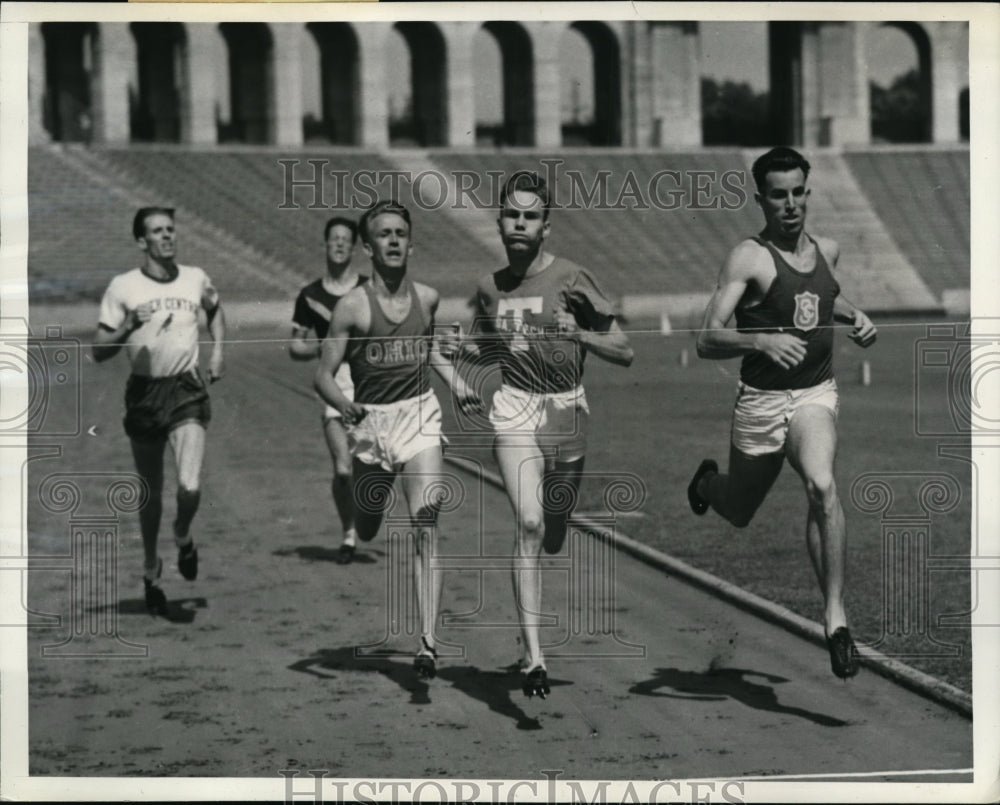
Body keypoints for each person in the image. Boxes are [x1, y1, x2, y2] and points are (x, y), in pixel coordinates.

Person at [687, 147, 877, 679]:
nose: (790, 204)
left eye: (798, 192)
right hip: (760, 404)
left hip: (814, 393)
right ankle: (706, 485)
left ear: (807, 194)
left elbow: (820, 298)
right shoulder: (748, 257)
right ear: (761, 199)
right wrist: (764, 340)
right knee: (738, 509)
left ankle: (836, 619)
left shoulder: (828, 250)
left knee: (822, 485)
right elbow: (706, 337)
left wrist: (855, 315)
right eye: (778, 194)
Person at [464, 171, 634, 698]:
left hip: (566, 410)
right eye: (512, 215)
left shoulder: (572, 277)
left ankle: (553, 534)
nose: (520, 224)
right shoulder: (488, 289)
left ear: (546, 226)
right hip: (514, 409)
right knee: (530, 523)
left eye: (530, 216)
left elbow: (624, 350)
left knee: (555, 527)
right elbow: (489, 349)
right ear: (499, 222)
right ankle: (534, 658)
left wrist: (577, 332)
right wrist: (460, 351)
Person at [314, 199, 481, 679]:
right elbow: (323, 376)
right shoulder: (351, 307)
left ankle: (427, 643)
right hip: (371, 425)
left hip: (419, 416)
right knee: (368, 526)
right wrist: (345, 406)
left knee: (426, 518)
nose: (392, 241)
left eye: (399, 233)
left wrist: (459, 383)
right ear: (367, 246)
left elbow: (426, 352)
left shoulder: (426, 298)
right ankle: (360, 520)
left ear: (411, 242)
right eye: (382, 234)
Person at [93, 207, 225, 616]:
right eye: (157, 231)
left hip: (186, 389)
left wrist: (218, 349)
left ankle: (183, 535)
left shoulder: (195, 277)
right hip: (145, 395)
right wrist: (128, 326)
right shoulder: (123, 287)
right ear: (141, 241)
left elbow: (215, 309)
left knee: (189, 486)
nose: (167, 236)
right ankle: (151, 570)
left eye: (170, 229)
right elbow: (99, 350)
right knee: (150, 495)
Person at [290, 217, 366, 564]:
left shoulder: (369, 288)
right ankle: (349, 533)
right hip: (332, 381)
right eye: (333, 239)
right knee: (342, 469)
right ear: (325, 245)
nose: (338, 245)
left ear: (353, 248)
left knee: (371, 465)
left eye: (345, 240)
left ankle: (366, 517)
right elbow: (295, 346)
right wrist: (327, 348)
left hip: (370, 382)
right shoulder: (310, 295)